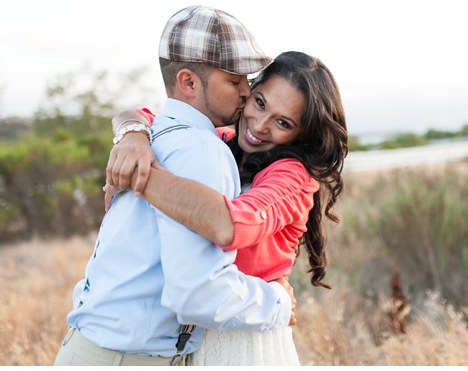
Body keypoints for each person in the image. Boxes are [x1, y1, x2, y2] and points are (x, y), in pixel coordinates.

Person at [54, 5, 297, 366]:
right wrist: (277, 301)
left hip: (88, 349)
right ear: (188, 82)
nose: (246, 91)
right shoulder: (203, 150)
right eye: (234, 81)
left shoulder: (156, 135)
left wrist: (130, 132)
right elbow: (199, 295)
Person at [104, 51, 349, 365]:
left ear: (302, 133)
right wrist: (131, 139)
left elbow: (230, 225)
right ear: (247, 92)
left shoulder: (293, 177)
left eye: (283, 122)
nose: (260, 126)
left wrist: (136, 174)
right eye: (259, 102)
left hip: (247, 342)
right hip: (192, 338)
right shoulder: (222, 140)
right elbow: (139, 115)